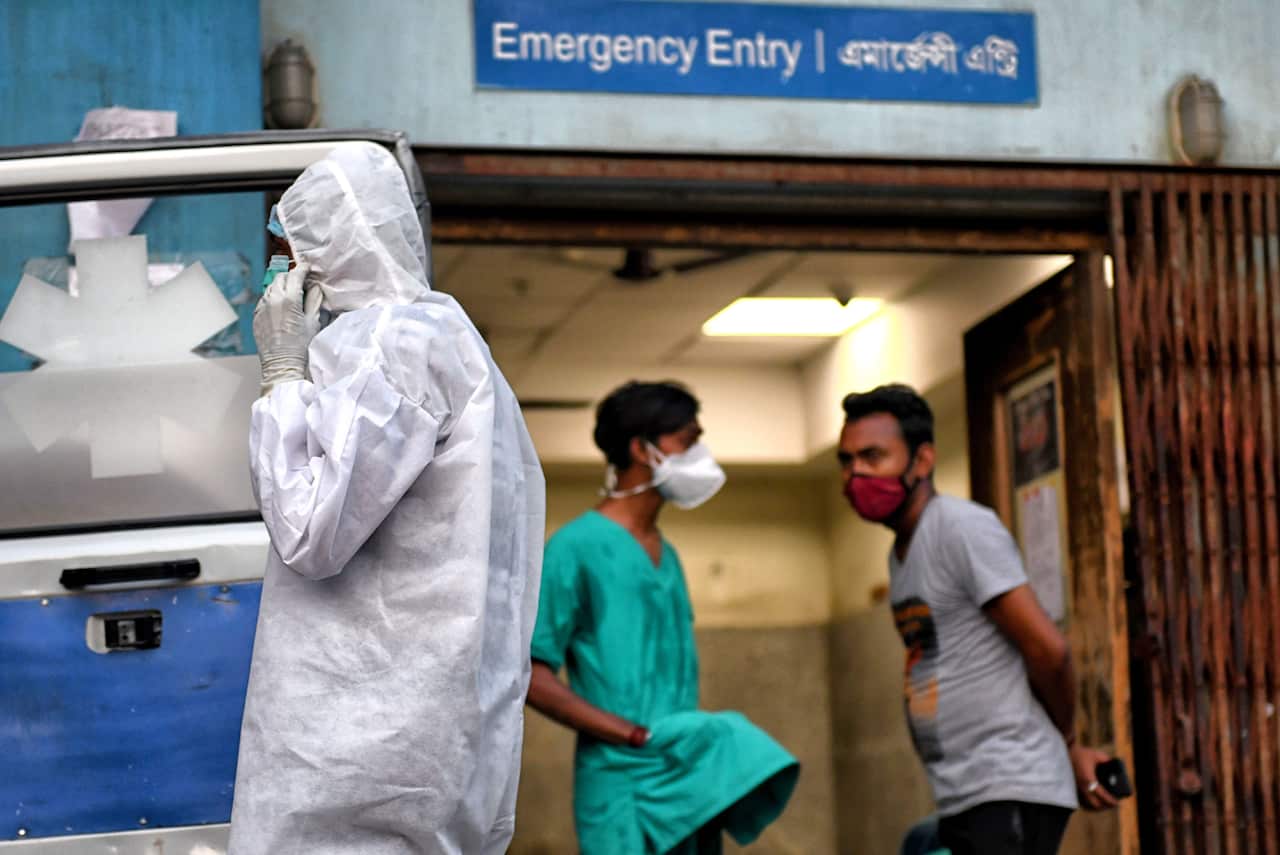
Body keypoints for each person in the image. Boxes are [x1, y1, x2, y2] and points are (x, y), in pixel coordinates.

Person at [229, 142, 545, 855]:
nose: (279, 276)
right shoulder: (450, 337)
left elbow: (309, 530)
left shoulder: (389, 342)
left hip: (364, 742)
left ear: (329, 250)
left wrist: (282, 376)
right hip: (428, 729)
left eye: (288, 253)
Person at [837, 384, 1118, 855]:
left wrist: (1067, 742)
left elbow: (1048, 650)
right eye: (846, 461)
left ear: (922, 461)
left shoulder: (960, 528)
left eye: (872, 456)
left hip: (1006, 781)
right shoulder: (902, 552)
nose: (855, 474)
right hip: (965, 790)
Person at [526, 381, 799, 855]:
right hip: (623, 781)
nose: (701, 453)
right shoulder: (575, 549)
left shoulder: (665, 555)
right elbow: (529, 674)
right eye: (688, 441)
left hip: (685, 772)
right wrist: (631, 734)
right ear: (642, 449)